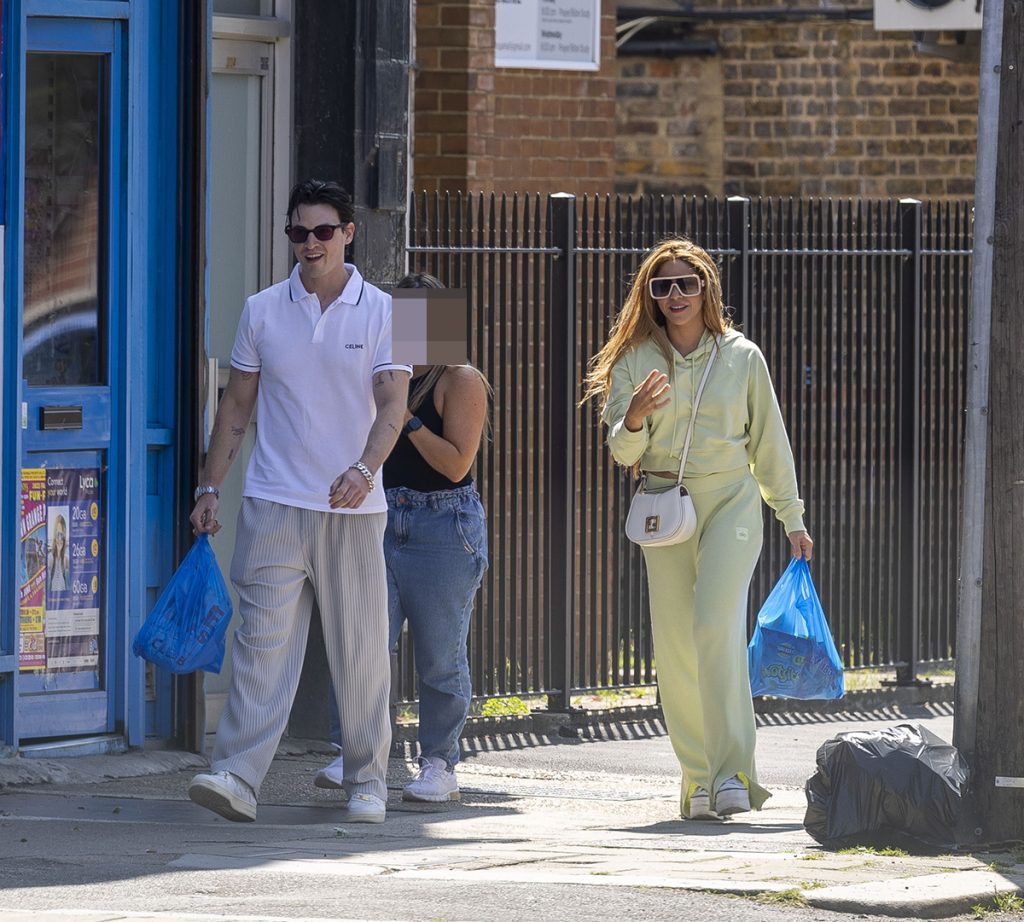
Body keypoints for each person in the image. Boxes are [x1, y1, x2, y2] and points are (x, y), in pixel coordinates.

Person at [186, 179, 410, 824]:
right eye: (296, 232)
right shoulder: (260, 309)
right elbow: (236, 405)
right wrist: (209, 486)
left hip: (353, 508)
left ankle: (369, 780)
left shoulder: (393, 310)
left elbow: (393, 404)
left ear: (347, 233)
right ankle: (236, 775)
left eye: (321, 231)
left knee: (362, 648)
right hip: (273, 500)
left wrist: (366, 470)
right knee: (260, 644)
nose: (308, 244)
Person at [583, 237, 813, 820]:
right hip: (663, 503)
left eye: (687, 282)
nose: (676, 294)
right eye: (663, 286)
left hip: (732, 499)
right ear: (651, 296)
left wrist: (792, 517)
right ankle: (698, 779)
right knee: (676, 646)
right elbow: (620, 447)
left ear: (706, 286)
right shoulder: (636, 357)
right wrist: (633, 416)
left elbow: (769, 443)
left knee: (715, 623)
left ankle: (734, 771)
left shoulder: (741, 355)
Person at [316, 272, 490, 803]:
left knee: (440, 654)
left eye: (417, 316)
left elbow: (457, 465)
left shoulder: (459, 379)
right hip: (379, 517)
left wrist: (404, 417)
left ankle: (440, 763)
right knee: (366, 643)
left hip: (442, 524)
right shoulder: (378, 374)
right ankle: (359, 751)